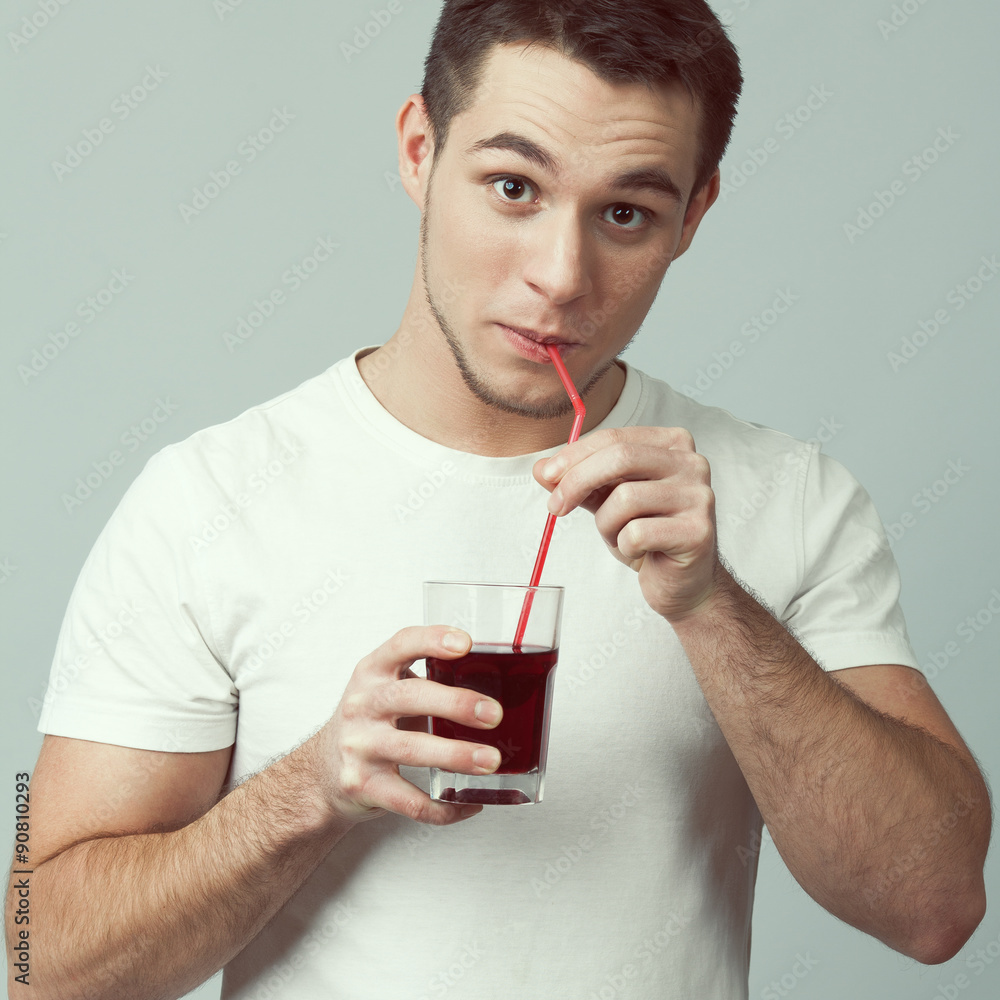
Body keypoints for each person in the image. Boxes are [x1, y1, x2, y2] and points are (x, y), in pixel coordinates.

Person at [5, 1, 991, 997]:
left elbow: (933, 904)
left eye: (625, 214)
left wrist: (711, 606)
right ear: (419, 152)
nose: (559, 278)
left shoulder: (787, 499)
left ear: (693, 215)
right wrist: (308, 789)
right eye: (512, 186)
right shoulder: (206, 498)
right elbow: (37, 958)